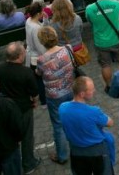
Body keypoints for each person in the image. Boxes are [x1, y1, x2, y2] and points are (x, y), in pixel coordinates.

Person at [0, 42, 40, 174]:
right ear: (20, 55)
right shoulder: (26, 72)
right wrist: (35, 102)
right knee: (27, 137)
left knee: (9, 137)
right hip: (23, 109)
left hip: (3, 110)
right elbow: (34, 93)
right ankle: (29, 163)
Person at [60, 76, 115, 175]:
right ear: (82, 94)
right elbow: (110, 123)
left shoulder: (62, 108)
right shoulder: (93, 111)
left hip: (76, 150)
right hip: (97, 152)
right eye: (91, 89)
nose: (94, 90)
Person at [36, 26, 75, 166]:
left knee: (58, 125)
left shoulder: (41, 59)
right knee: (72, 118)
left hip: (54, 95)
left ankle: (62, 155)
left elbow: (39, 73)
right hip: (70, 89)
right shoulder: (68, 49)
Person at [85, 0, 119, 92]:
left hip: (101, 42)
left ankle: (109, 85)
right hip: (116, 39)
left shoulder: (89, 9)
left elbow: (90, 21)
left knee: (105, 65)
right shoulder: (116, 3)